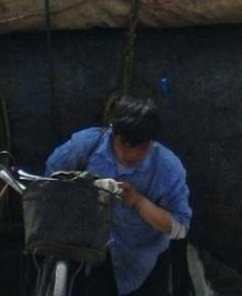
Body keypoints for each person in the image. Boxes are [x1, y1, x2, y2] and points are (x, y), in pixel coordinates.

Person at [44, 94, 192, 296]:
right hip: (88, 258)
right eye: (124, 145)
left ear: (151, 142)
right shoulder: (86, 146)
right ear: (113, 132)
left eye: (139, 148)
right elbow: (51, 177)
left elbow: (180, 229)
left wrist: (138, 202)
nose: (130, 155)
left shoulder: (168, 168)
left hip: (142, 265)